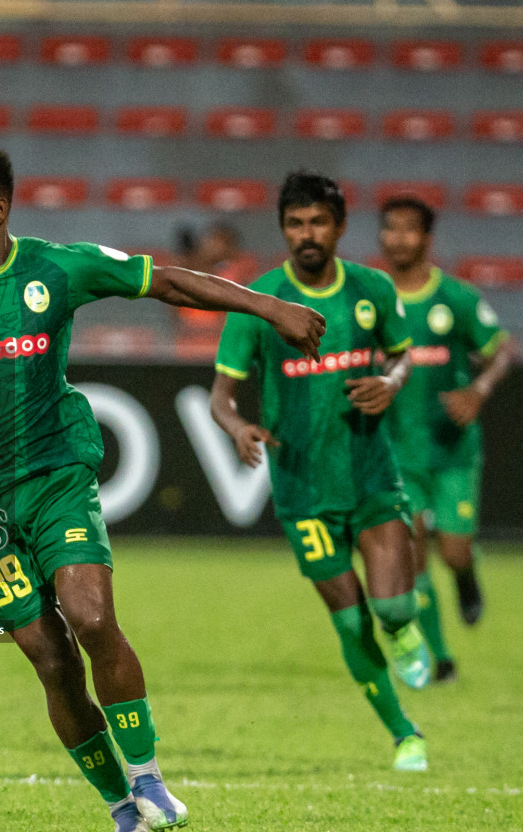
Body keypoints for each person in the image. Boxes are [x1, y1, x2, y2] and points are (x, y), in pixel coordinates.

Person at [0, 143, 325, 832]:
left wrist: (267, 307)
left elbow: (172, 284)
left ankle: (150, 778)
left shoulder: (58, 268)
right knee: (51, 659)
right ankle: (122, 808)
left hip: (56, 476)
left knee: (91, 616)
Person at [208, 170, 433, 772]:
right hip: (301, 489)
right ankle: (404, 733)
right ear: (284, 229)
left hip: (369, 476)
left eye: (317, 222)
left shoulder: (372, 289)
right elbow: (220, 397)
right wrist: (237, 428)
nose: (306, 234)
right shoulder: (258, 304)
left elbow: (403, 353)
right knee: (352, 620)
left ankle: (407, 625)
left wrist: (391, 381)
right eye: (294, 223)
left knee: (388, 611)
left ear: (339, 227)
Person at [378, 196, 512, 682]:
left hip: (453, 451)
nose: (398, 238)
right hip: (398, 453)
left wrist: (478, 388)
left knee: (452, 550)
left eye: (409, 230)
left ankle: (466, 574)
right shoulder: (372, 299)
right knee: (412, 552)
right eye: (390, 229)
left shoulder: (454, 297)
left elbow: (499, 349)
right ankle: (441, 656)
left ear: (427, 239)